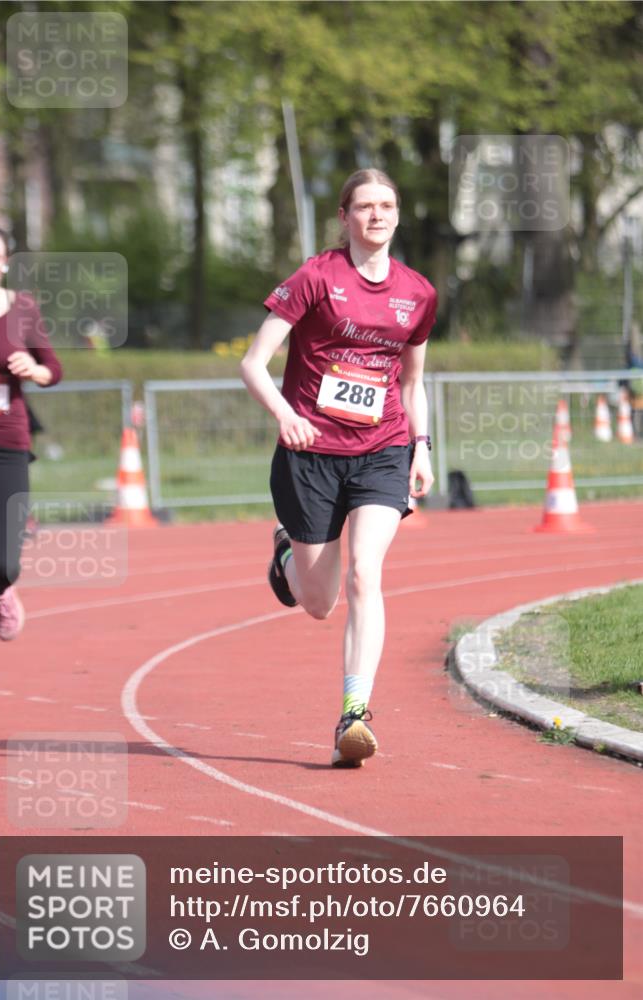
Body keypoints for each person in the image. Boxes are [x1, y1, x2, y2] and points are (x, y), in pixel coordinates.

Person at [241, 168, 437, 767]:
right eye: (365, 206)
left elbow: (412, 382)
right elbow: (253, 363)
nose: (377, 216)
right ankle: (285, 555)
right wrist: (285, 415)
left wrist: (422, 446)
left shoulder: (418, 293)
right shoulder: (316, 277)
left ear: (397, 215)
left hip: (383, 450)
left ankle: (354, 713)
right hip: (311, 456)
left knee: (365, 574)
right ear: (345, 216)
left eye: (387, 206)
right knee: (320, 603)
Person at [0, 222, 62, 703]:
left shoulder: (21, 309)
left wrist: (34, 369)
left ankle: (4, 588)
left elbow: (54, 369)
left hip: (5, 444)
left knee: (2, 560)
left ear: (6, 264)